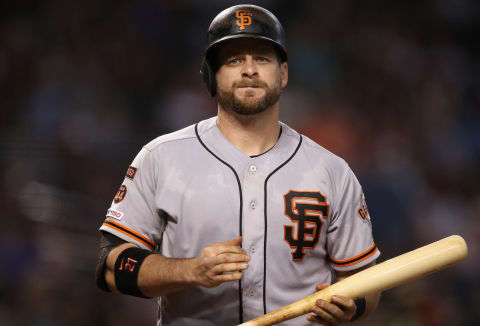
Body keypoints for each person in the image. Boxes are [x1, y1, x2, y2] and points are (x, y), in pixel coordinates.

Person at [95, 4, 381, 325]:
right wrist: (190, 269)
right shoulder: (161, 157)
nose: (249, 70)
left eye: (261, 58)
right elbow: (112, 266)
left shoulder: (332, 171)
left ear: (283, 73)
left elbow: (364, 279)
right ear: (212, 76)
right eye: (234, 60)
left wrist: (352, 306)